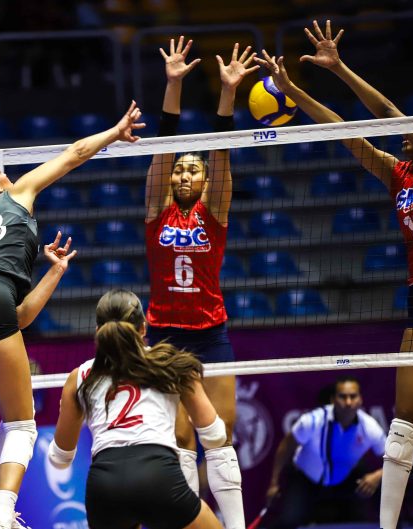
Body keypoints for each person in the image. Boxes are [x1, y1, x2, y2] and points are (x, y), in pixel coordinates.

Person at [0, 101, 144, 529]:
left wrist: (54, 271)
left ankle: (1, 513)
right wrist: (114, 132)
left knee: (10, 417)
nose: (11, 178)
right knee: (23, 424)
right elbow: (73, 155)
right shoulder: (13, 197)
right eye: (4, 176)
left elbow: (23, 316)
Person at [253, 21, 413, 528]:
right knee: (405, 423)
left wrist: (341, 68)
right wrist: (296, 91)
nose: (405, 133)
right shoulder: (399, 174)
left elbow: (388, 114)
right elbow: (348, 135)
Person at [144, 37, 258, 529]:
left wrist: (227, 93)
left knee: (222, 434)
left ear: (207, 181)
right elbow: (163, 150)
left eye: (196, 169)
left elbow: (221, 153)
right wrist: (173, 85)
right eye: (181, 169)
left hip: (211, 331)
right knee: (180, 438)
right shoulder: (156, 209)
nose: (187, 173)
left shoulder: (215, 211)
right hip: (165, 333)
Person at [49, 289, 225, 529]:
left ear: (97, 333)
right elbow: (215, 435)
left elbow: (59, 459)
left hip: (104, 484)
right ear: (143, 328)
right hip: (157, 474)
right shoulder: (171, 362)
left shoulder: (78, 377)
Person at [263, 376, 385, 528]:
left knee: (361, 518)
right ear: (333, 399)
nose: (348, 402)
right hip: (306, 478)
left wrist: (378, 475)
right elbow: (286, 447)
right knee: (289, 521)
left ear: (360, 399)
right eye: (343, 397)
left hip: (346, 481)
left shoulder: (370, 427)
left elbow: (393, 460)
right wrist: (274, 483)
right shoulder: (312, 421)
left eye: (353, 397)